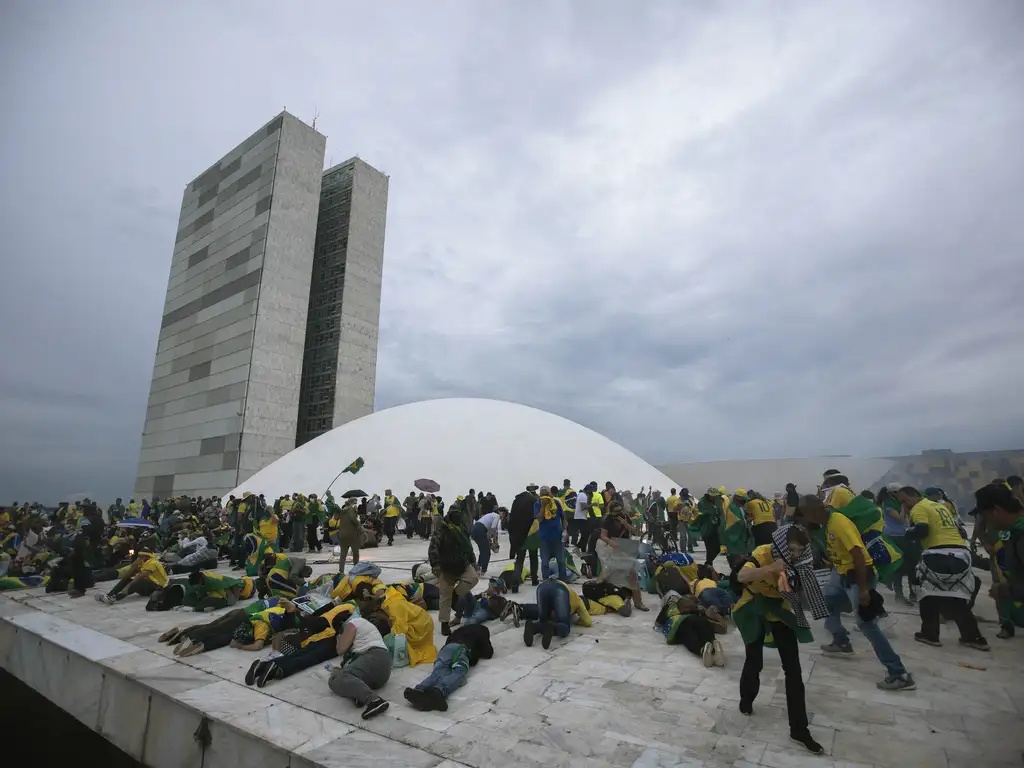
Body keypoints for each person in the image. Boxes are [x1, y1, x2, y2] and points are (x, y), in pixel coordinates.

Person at [798, 495, 915, 691]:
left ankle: (899, 673)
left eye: (805, 515)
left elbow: (859, 555)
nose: (804, 519)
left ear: (814, 512)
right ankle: (841, 641)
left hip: (858, 575)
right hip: (841, 572)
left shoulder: (839, 522)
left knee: (866, 624)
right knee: (826, 600)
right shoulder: (824, 524)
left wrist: (863, 589)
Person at [732, 525, 826, 755]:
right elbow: (742, 576)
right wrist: (771, 568)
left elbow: (806, 592)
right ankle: (746, 699)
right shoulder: (763, 553)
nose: (794, 554)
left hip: (778, 610)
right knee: (754, 660)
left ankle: (799, 729)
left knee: (793, 670)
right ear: (782, 545)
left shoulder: (800, 561)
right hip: (753, 607)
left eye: (799, 550)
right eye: (791, 549)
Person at [899, 486, 988, 650]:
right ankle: (973, 637)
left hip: (937, 553)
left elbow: (922, 530)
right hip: (960, 553)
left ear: (914, 496)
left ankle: (929, 634)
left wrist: (906, 533)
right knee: (957, 596)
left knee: (927, 595)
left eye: (904, 501)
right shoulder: (940, 506)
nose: (904, 505)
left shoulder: (919, 508)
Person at [403, 623, 493, 712]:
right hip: (461, 649)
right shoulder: (483, 630)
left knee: (437, 673)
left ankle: (419, 690)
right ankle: (439, 691)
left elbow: (449, 639)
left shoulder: (460, 630)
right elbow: (488, 653)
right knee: (459, 673)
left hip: (445, 649)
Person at [973, 483, 1024, 639]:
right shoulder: (1015, 533)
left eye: (986, 517)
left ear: (996, 511)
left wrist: (1004, 591)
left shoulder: (1021, 537)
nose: (989, 524)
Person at [428, 507, 479, 635]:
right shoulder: (442, 530)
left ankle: (456, 595)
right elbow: (433, 547)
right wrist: (436, 565)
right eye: (455, 514)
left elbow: (468, 546)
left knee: (473, 578)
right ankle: (444, 624)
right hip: (446, 566)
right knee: (445, 596)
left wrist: (473, 561)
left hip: (462, 563)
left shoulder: (462, 529)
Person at [595, 500, 648, 611]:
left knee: (632, 574)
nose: (618, 513)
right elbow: (603, 536)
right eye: (616, 512)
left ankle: (638, 602)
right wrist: (611, 542)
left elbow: (635, 532)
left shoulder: (625, 517)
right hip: (612, 549)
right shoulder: (608, 520)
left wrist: (626, 524)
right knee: (608, 576)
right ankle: (603, 599)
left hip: (625, 547)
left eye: (620, 510)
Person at [524, 579, 591, 648]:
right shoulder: (579, 601)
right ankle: (552, 627)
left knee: (543, 621)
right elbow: (588, 621)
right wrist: (577, 622)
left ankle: (532, 627)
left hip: (542, 587)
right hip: (559, 590)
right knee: (565, 627)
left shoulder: (572, 594)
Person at [879, 484, 916, 604]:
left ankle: (912, 592)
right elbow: (900, 518)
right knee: (898, 566)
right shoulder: (889, 503)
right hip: (893, 537)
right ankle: (899, 594)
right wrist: (904, 505)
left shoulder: (896, 502)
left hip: (904, 535)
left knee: (911, 564)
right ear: (893, 493)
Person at [96, 550, 168, 604]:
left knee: (136, 582)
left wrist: (127, 588)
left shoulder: (153, 562)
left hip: (158, 587)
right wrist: (135, 565)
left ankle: (115, 598)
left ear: (147, 556)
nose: (139, 558)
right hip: (150, 585)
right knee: (128, 579)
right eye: (139, 556)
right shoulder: (143, 562)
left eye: (141, 556)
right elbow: (128, 574)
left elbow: (141, 575)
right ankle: (110, 595)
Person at [534, 486, 568, 581]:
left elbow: (563, 518)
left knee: (561, 561)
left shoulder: (556, 503)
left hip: (557, 536)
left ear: (550, 494)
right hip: (544, 538)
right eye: (542, 493)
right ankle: (545, 580)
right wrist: (543, 506)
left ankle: (563, 580)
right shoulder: (537, 504)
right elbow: (540, 519)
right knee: (545, 562)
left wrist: (565, 530)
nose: (545, 496)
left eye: (546, 493)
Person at [508, 484, 539, 585]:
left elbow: (511, 519)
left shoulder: (517, 501)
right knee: (533, 557)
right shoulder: (535, 501)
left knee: (520, 558)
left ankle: (515, 582)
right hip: (531, 533)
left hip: (519, 535)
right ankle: (534, 579)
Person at [471, 507, 504, 574]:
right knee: (486, 552)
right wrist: (494, 543)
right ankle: (483, 570)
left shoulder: (490, 515)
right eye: (503, 515)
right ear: (501, 513)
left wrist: (493, 542)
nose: (502, 517)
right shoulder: (496, 516)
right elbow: (493, 530)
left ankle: (478, 567)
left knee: (483, 550)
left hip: (474, 529)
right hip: (480, 530)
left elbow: (493, 532)